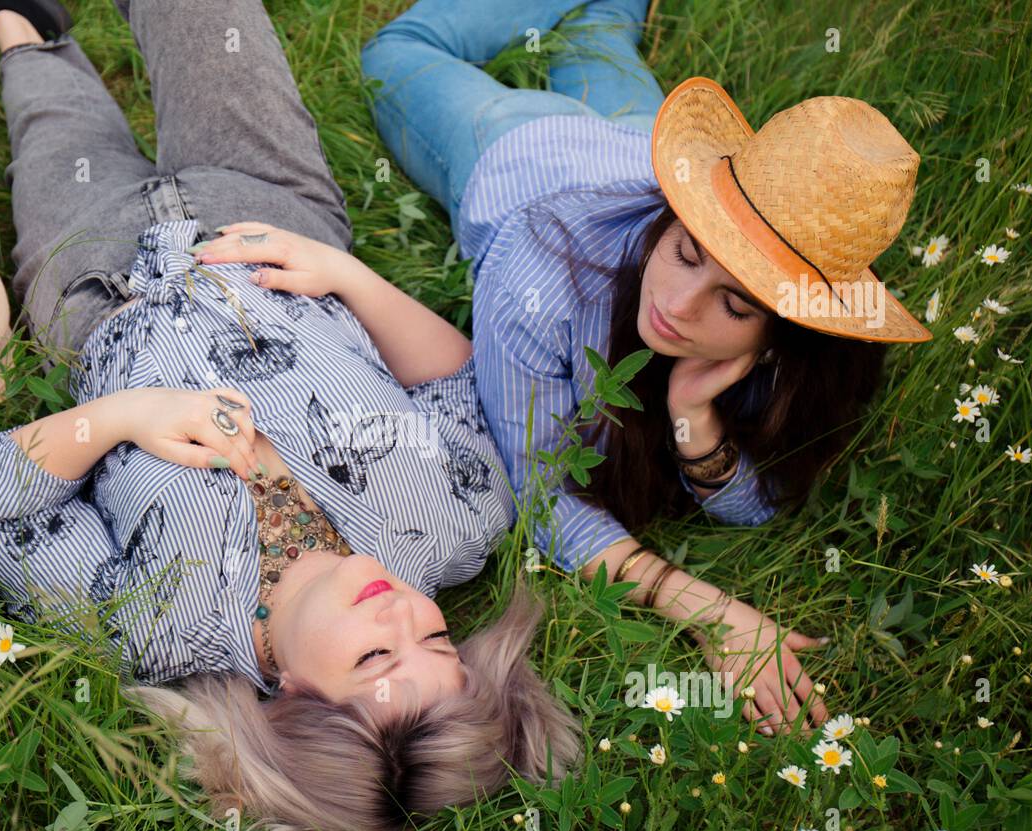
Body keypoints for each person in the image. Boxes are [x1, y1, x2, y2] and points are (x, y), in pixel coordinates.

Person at [0, 0, 582, 831]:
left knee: (53, 119)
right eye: (436, 639)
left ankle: (25, 30)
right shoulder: (455, 524)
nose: (401, 613)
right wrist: (347, 277)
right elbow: (454, 379)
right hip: (268, 213)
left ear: (290, 702)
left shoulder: (158, 627)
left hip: (93, 287)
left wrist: (125, 417)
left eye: (374, 658)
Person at [351, 0, 931, 737]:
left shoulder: (793, 347)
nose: (678, 307)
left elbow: (763, 497)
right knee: (396, 52)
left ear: (788, 333)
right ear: (676, 215)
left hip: (647, 148)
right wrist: (705, 606)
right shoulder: (539, 274)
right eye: (687, 252)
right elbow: (541, 495)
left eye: (734, 303)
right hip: (522, 147)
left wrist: (697, 422)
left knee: (599, 32)